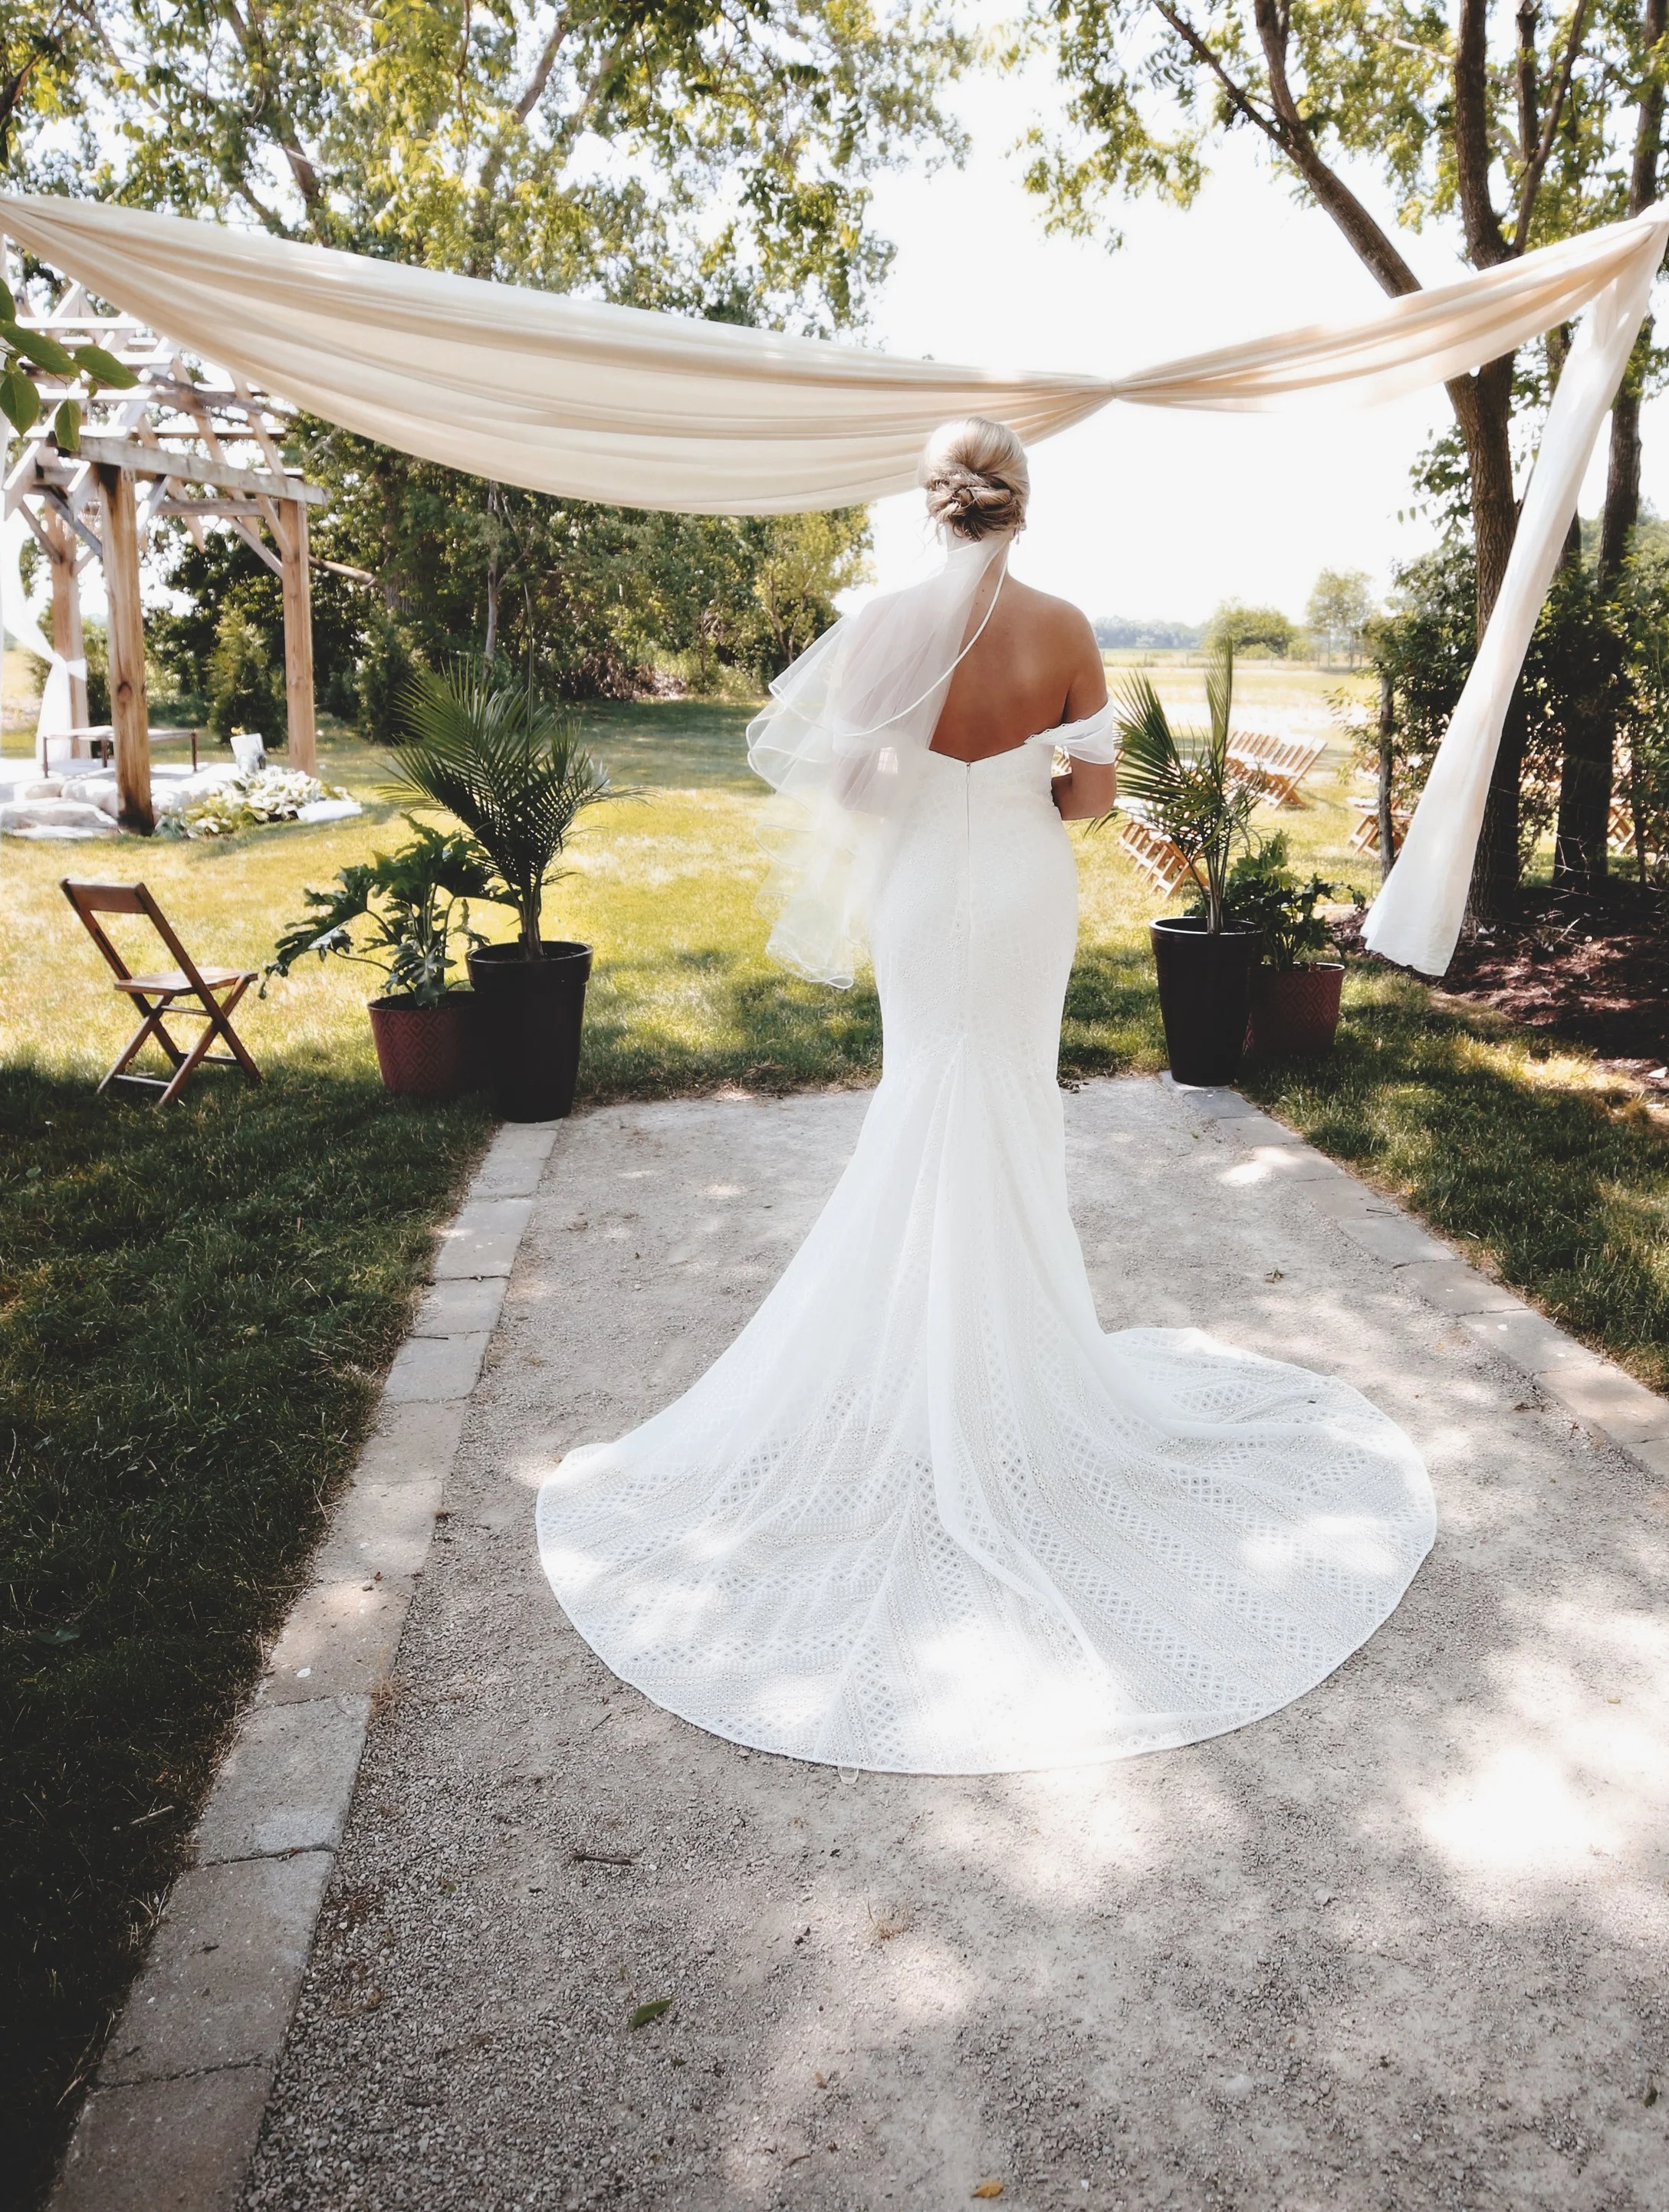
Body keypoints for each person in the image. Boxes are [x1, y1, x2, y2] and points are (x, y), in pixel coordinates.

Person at [537, 418, 1434, 1773]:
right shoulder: (1069, 624)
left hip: (916, 894)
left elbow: (842, 781)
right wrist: (1012, 766)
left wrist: (919, 765)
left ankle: (929, 1367)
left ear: (931, 505)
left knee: (925, 1094)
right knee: (1010, 1105)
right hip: (1021, 888)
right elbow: (1088, 802)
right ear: (1022, 505)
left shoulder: (882, 625)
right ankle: (1007, 1378)